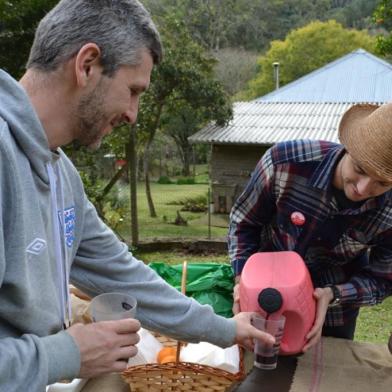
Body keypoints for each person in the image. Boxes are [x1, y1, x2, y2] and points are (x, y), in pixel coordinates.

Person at [0, 1, 274, 391]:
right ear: (87, 65)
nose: (133, 114)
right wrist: (64, 354)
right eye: (133, 91)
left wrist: (224, 329)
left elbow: (123, 274)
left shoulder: (59, 173)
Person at [229, 102, 392, 352]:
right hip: (265, 296)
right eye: (359, 170)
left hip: (334, 313)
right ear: (348, 148)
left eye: (381, 183)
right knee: (259, 373)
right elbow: (244, 222)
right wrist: (243, 281)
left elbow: (384, 278)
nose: (363, 189)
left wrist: (334, 294)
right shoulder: (285, 162)